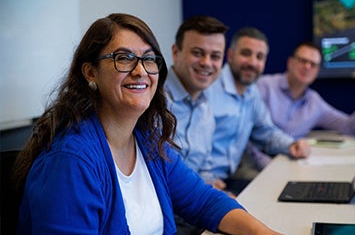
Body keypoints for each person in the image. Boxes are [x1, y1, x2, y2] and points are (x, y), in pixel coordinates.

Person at [13, 13, 281, 235]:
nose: (140, 70)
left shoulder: (148, 141)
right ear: (90, 72)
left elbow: (204, 201)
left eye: (148, 59)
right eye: (124, 58)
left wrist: (264, 233)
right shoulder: (71, 161)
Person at [204, 27, 310, 195]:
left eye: (259, 57)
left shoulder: (251, 92)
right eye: (246, 53)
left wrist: (291, 144)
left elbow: (266, 131)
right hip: (203, 184)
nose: (253, 63)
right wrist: (204, 182)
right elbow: (188, 149)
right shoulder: (207, 87)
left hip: (227, 179)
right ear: (230, 56)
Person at [164, 15, 228, 235]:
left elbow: (205, 165)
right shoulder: (153, 101)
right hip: (168, 216)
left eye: (215, 56)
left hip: (196, 208)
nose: (207, 63)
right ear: (175, 52)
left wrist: (212, 186)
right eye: (197, 53)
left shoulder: (205, 105)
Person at [256, 41, 355, 140]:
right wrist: (266, 164)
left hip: (288, 164)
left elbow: (348, 128)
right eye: (303, 61)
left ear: (317, 71)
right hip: (256, 167)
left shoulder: (314, 102)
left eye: (313, 64)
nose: (307, 67)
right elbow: (249, 136)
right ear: (290, 62)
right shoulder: (263, 86)